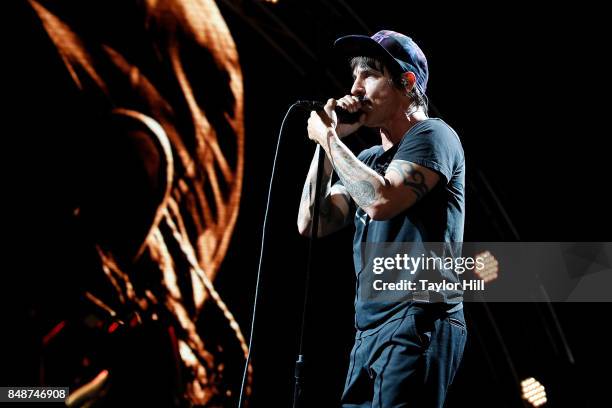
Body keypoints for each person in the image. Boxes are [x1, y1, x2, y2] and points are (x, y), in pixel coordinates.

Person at [297, 30, 467, 407]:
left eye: (368, 75)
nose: (354, 89)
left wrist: (330, 141)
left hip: (418, 318)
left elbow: (381, 200)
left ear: (406, 83)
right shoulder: (370, 160)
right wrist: (329, 144)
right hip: (368, 331)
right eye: (353, 76)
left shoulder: (434, 136)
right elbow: (312, 222)